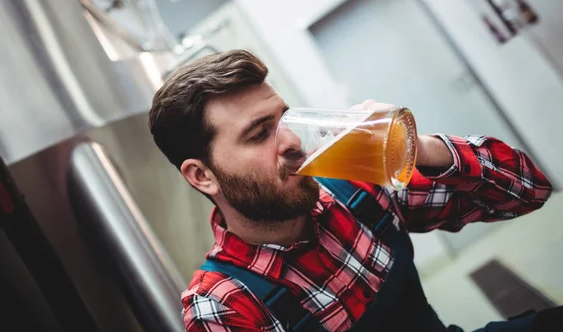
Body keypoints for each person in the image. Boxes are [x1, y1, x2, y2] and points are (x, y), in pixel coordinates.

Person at [148, 49, 556, 331]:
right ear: (202, 176)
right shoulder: (222, 304)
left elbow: (528, 190)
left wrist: (415, 147)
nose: (291, 141)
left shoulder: (353, 189)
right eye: (259, 134)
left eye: (285, 119)